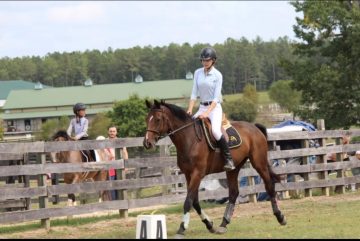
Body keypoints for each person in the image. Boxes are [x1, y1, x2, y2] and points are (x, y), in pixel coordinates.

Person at [186, 46, 235, 171]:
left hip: (214, 108)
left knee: (215, 131)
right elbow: (193, 93)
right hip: (202, 106)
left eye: (207, 60)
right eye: (203, 60)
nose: (204, 62)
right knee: (188, 127)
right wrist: (190, 109)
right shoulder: (197, 73)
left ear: (213, 60)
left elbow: (216, 98)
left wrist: (207, 113)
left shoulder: (218, 75)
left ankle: (228, 159)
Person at [105, 125, 128, 200]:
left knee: (121, 185)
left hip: (119, 165)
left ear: (116, 132)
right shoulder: (104, 142)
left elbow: (125, 152)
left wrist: (126, 165)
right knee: (112, 185)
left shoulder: (120, 141)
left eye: (113, 131)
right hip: (109, 166)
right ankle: (114, 203)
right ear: (108, 132)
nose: (112, 133)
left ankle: (122, 201)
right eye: (110, 131)